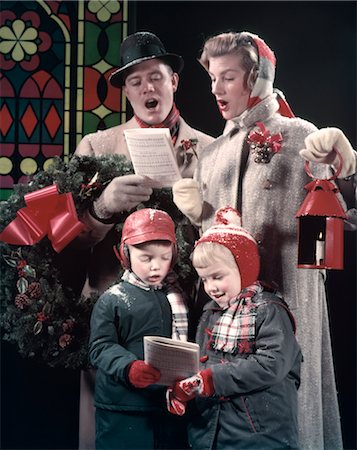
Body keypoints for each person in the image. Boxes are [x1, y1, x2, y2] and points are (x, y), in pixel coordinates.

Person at [172, 31, 357, 450]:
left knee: (292, 410)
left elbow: (341, 217)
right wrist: (196, 214)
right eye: (212, 78)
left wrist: (345, 171)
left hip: (290, 300)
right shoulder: (214, 152)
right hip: (228, 314)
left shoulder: (300, 135)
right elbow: (211, 243)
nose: (216, 89)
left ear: (256, 79)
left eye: (228, 77)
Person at [71, 31, 214, 448]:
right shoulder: (96, 148)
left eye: (156, 76)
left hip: (188, 314)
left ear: (174, 82)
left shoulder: (211, 149)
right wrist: (101, 207)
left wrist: (199, 212)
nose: (147, 87)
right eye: (135, 81)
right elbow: (66, 244)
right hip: (112, 317)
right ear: (126, 92)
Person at [166, 206, 302, 449]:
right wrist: (187, 387)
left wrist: (211, 380)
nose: (211, 287)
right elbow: (202, 362)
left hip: (258, 433)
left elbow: (272, 364)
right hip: (212, 430)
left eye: (218, 276)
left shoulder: (268, 309)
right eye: (204, 279)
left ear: (244, 268)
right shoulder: (211, 311)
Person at [88, 208, 190, 449]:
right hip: (123, 407)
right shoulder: (112, 300)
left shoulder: (177, 297)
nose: (156, 267)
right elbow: (100, 347)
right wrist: (128, 367)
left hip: (167, 406)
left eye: (164, 257)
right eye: (146, 258)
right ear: (126, 255)